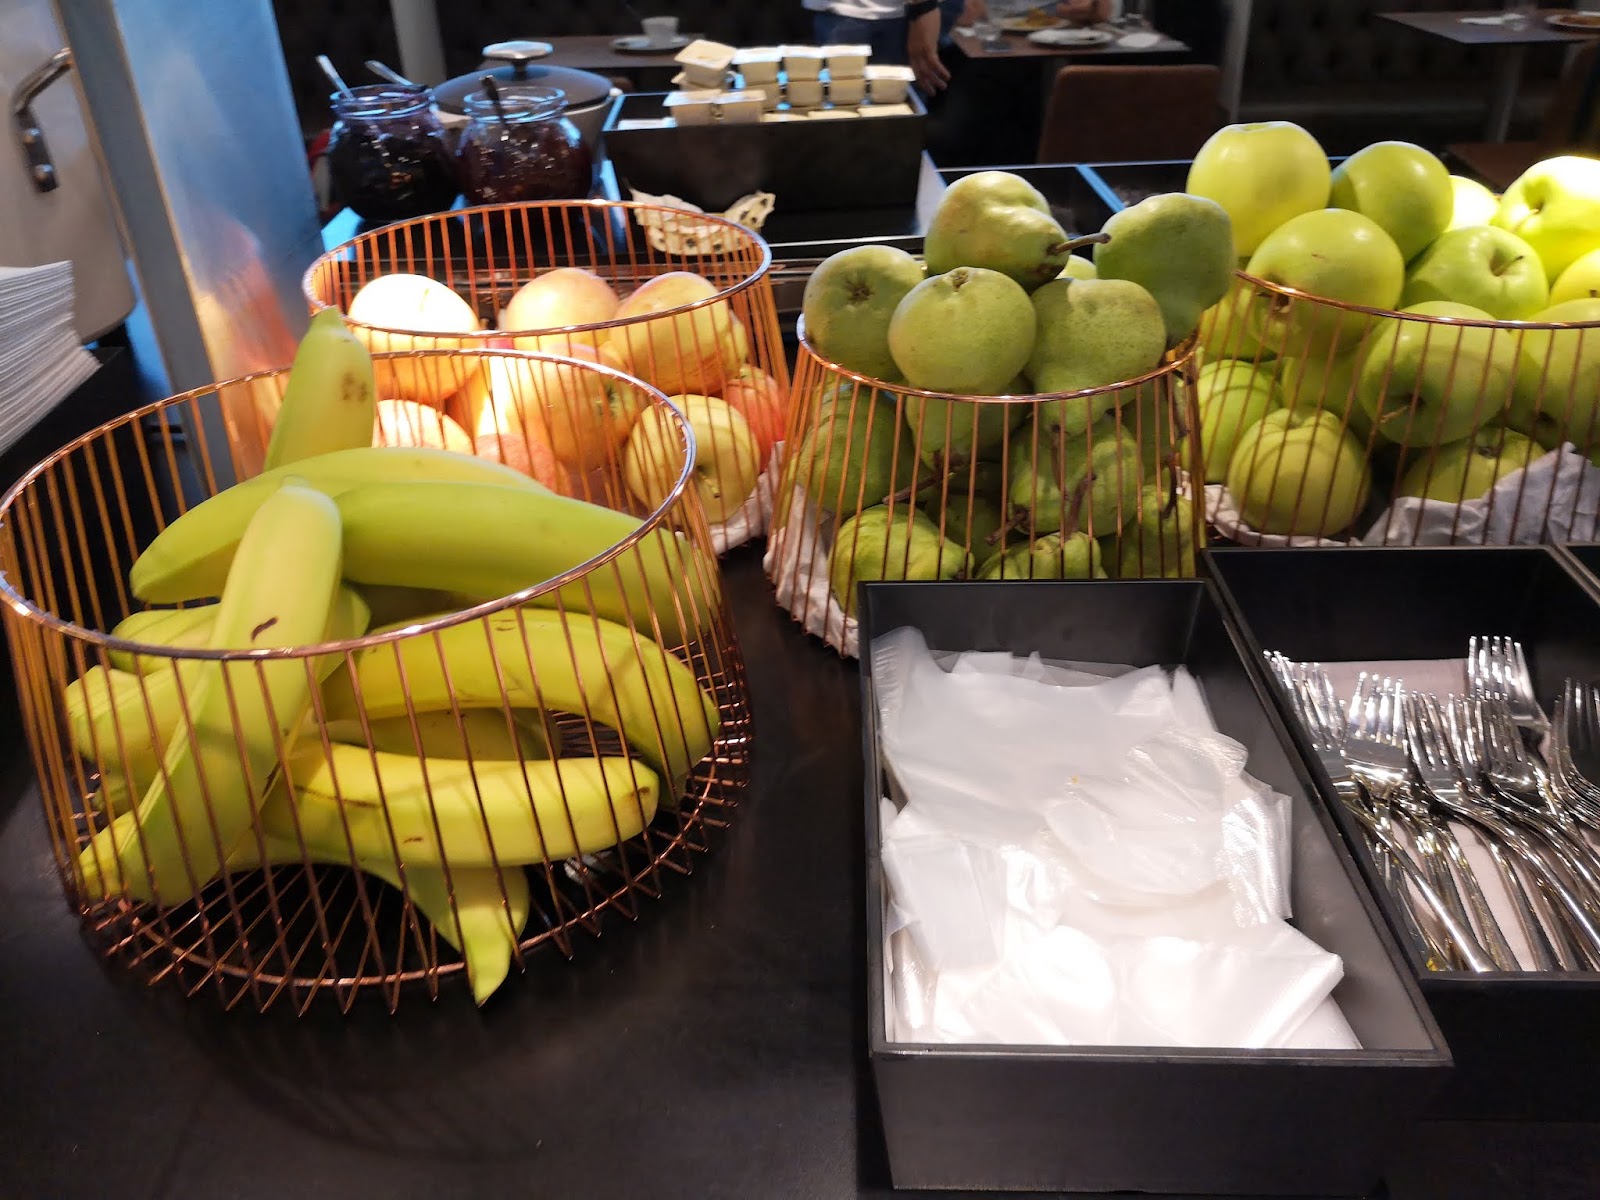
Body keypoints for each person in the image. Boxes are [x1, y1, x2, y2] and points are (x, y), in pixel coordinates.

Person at [805, 0, 914, 65]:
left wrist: (921, 8)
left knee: (892, 90)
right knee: (842, 88)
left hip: (897, 13)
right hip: (840, 11)